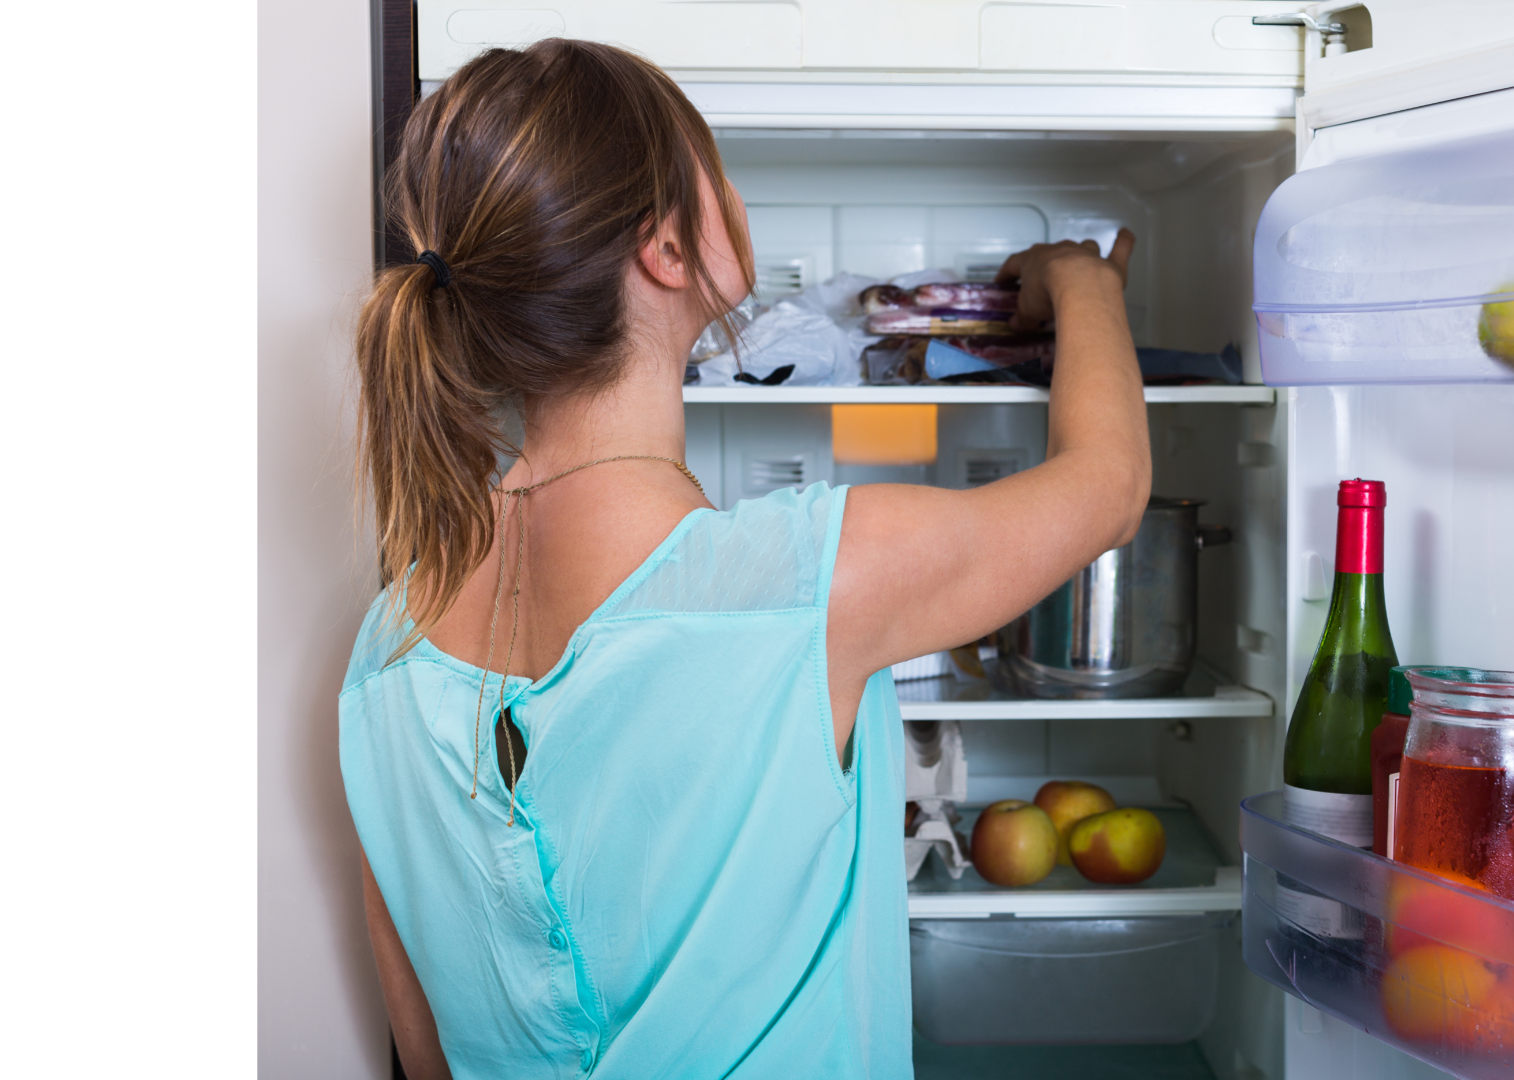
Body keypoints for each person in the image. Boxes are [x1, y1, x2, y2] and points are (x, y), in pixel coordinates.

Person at [340, 38, 1149, 1080]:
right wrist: (1084, 281)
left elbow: (424, 1048)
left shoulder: (385, 652)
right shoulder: (807, 583)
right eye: (712, 170)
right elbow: (1109, 488)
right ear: (666, 251)